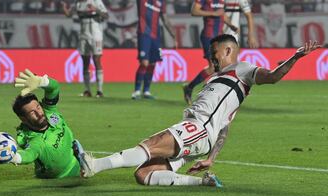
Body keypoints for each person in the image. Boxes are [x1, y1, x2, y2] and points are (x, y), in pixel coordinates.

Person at [79, 34, 321, 186]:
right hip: (201, 135)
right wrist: (211, 158)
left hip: (198, 128)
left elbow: (273, 76)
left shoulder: (243, 69)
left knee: (150, 145)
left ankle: (94, 166)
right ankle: (203, 183)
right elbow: (225, 127)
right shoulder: (216, 78)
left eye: (214, 53)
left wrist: (295, 57)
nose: (210, 58)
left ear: (228, 50)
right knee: (144, 174)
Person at [8, 69, 90, 179]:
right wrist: (13, 157)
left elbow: (54, 88)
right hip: (60, 179)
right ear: (23, 118)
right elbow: (30, 154)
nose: (39, 113)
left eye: (38, 107)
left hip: (75, 162)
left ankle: (79, 156)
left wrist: (41, 81)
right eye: (32, 112)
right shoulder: (34, 139)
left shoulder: (49, 111)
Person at [182, 0, 238, 105]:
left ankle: (192, 88)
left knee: (221, 67)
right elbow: (194, 11)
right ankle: (194, 89)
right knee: (214, 67)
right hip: (208, 36)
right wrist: (213, 13)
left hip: (219, 38)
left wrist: (230, 25)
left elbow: (221, 14)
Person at [61, 0, 108, 98]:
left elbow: (106, 15)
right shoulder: (78, 4)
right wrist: (64, 9)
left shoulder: (96, 1)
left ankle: (100, 91)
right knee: (85, 62)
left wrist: (96, 10)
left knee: (96, 60)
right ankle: (87, 90)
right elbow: (69, 14)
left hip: (96, 36)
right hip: (83, 36)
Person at [131, 0, 176, 99]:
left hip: (156, 36)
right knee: (144, 63)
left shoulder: (161, 2)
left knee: (152, 63)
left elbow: (164, 18)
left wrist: (173, 35)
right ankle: (137, 91)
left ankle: (146, 91)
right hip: (144, 34)